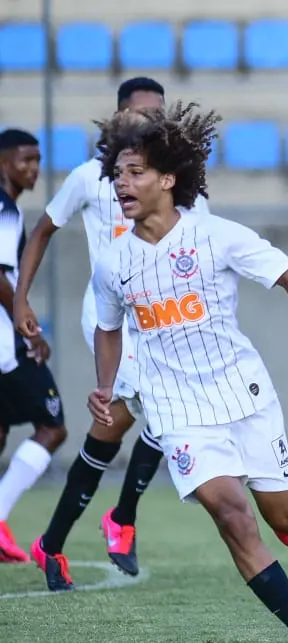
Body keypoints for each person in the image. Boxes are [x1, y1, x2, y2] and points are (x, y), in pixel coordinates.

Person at [87, 102, 288, 643]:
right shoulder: (113, 261)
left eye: (135, 173)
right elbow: (109, 329)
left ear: (167, 179)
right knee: (230, 512)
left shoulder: (215, 236)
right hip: (177, 410)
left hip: (243, 394)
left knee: (287, 521)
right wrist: (105, 385)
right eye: (117, 175)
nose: (122, 184)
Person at [13, 77, 210, 586]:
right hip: (112, 318)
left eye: (159, 114)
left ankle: (57, 540)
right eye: (143, 114)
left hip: (163, 315)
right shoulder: (89, 179)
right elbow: (43, 231)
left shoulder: (176, 182)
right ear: (120, 120)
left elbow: (201, 245)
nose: (153, 122)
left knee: (131, 423)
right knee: (146, 416)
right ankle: (116, 521)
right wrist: (20, 298)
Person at [0, 130, 68, 563]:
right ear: (4, 161)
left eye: (38, 159)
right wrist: (29, 330)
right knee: (53, 425)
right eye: (26, 159)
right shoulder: (4, 210)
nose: (34, 169)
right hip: (4, 346)